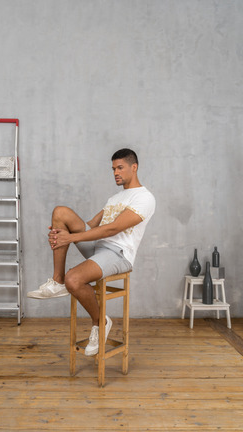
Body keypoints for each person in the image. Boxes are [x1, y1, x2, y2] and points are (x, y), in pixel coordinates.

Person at [27, 148, 155, 356]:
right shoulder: (114, 198)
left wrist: (70, 237)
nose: (115, 172)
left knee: (75, 280)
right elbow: (91, 226)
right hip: (99, 247)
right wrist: (62, 231)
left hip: (118, 254)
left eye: (120, 168)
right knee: (60, 213)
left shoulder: (145, 198)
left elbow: (112, 229)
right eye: (113, 168)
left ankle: (100, 322)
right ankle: (57, 281)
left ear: (134, 167)